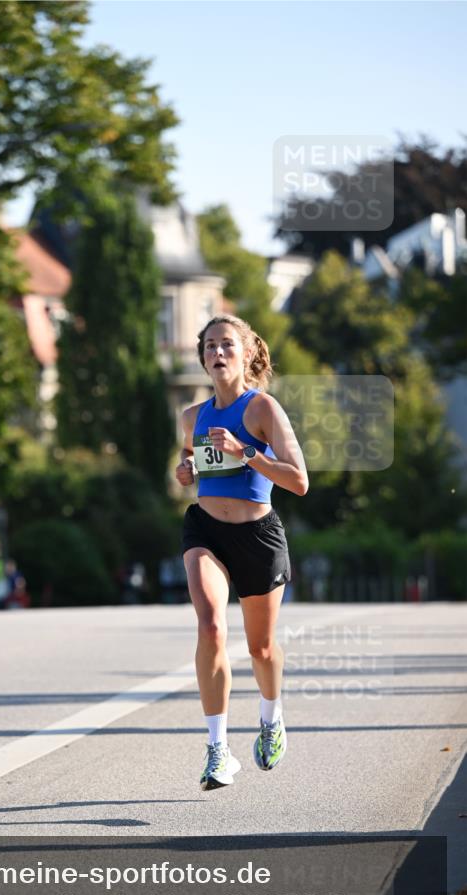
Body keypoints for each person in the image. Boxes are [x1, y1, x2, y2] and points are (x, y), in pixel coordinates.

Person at [176, 314, 308, 791]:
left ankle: (271, 719)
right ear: (203, 356)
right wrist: (186, 472)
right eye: (210, 345)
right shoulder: (191, 417)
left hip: (258, 535)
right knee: (210, 624)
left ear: (248, 352)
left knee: (261, 647)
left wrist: (246, 451)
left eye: (227, 344)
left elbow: (299, 481)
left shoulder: (263, 409)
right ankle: (218, 750)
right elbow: (192, 463)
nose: (218, 353)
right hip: (206, 530)